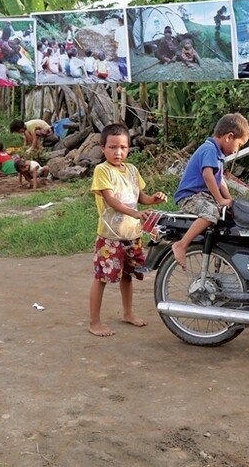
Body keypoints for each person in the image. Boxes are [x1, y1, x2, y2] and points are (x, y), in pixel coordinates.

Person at [89, 122, 168, 337]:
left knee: (128, 275)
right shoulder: (102, 170)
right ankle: (94, 322)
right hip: (110, 236)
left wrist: (153, 199)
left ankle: (128, 313)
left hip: (132, 235)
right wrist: (134, 214)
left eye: (123, 147)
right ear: (102, 147)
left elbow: (139, 197)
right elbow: (111, 200)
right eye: (113, 147)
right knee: (102, 278)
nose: (118, 152)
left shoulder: (132, 170)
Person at [171, 113, 249, 268]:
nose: (237, 151)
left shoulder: (217, 154)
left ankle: (219, 258)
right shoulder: (209, 150)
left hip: (201, 196)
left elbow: (220, 182)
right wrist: (220, 200)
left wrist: (231, 202)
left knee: (226, 215)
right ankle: (182, 244)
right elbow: (208, 176)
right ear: (229, 137)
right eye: (239, 145)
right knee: (212, 212)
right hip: (189, 196)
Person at [115, 15, 129, 79]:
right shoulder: (129, 28)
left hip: (121, 50)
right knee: (127, 63)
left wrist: (116, 51)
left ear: (120, 21)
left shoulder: (118, 30)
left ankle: (124, 76)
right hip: (128, 50)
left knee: (121, 64)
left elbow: (117, 42)